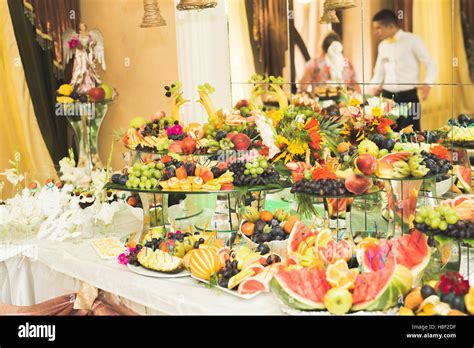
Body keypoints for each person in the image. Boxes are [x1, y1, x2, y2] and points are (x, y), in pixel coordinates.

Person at [370, 9, 436, 132]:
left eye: (378, 28)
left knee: (411, 135)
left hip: (409, 97)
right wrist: (373, 87)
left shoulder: (413, 40)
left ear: (390, 26)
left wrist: (428, 83)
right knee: (387, 135)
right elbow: (379, 71)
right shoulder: (382, 45)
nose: (376, 32)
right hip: (387, 97)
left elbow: (430, 64)